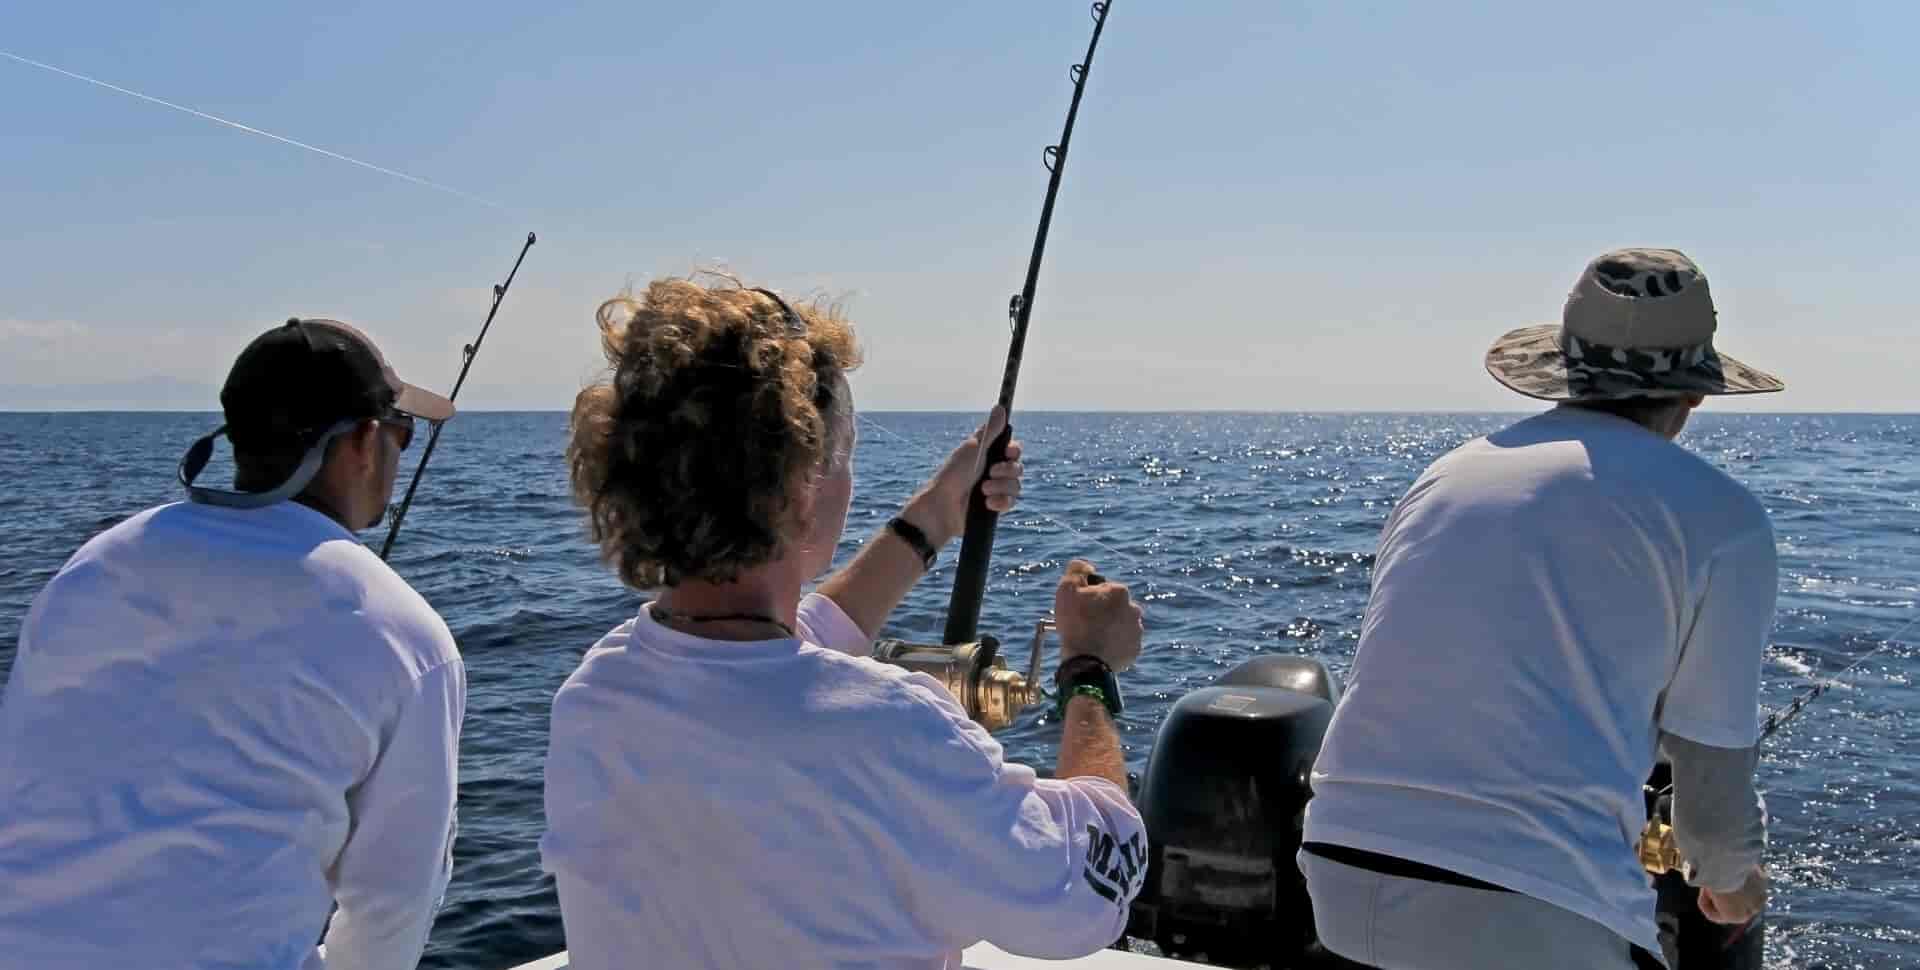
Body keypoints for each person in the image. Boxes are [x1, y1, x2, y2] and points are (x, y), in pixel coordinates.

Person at [540, 276, 1150, 969]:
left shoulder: (596, 699)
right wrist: (1088, 670)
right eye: (845, 454)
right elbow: (1096, 890)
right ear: (804, 483)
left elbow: (785, 649)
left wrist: (936, 514)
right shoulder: (888, 730)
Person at [1298, 248, 1781, 969]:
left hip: (1338, 862)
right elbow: (1708, 790)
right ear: (1697, 393)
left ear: (1565, 370)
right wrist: (1733, 883)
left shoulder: (1445, 476)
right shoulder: (1726, 518)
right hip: (1532, 906)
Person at [0, 318, 467, 970]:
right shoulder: (406, 637)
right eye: (403, 433)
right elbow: (393, 907)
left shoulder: (90, 567)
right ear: (363, 442)